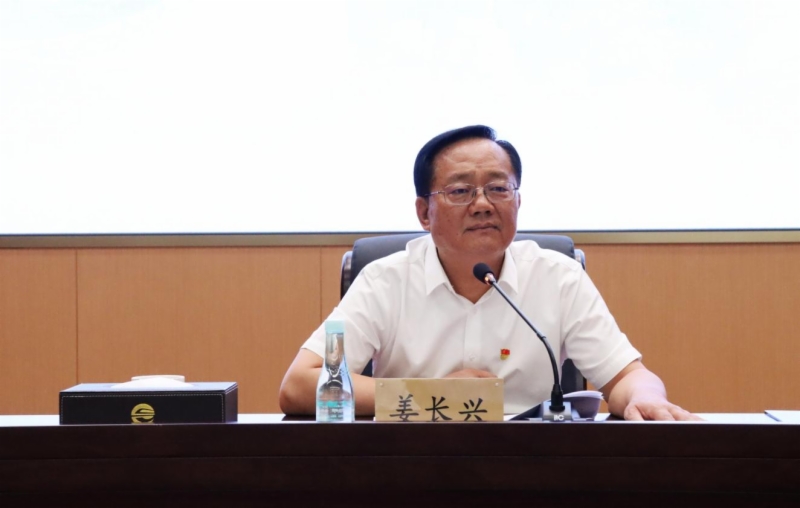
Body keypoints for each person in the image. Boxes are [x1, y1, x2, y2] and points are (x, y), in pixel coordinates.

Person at [279, 125, 699, 421]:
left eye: (498, 188)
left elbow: (627, 376)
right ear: (424, 212)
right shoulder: (383, 282)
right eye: (460, 191)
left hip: (532, 471)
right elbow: (301, 384)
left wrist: (645, 397)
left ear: (518, 201)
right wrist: (431, 395)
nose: (482, 204)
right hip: (415, 469)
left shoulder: (558, 278)